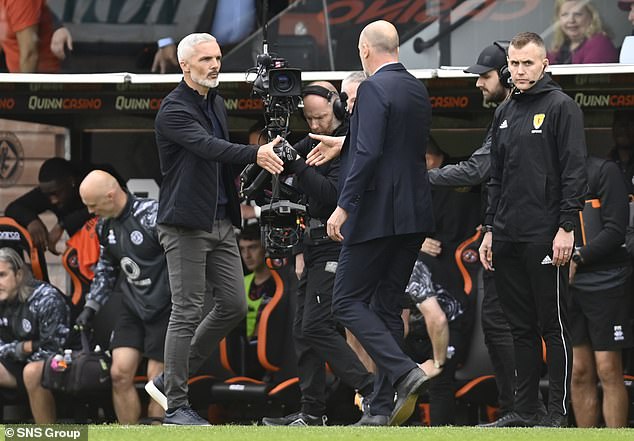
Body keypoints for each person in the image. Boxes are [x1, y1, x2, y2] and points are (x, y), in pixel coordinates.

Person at [147, 32, 284, 426]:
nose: (214, 65)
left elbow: (220, 161)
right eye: (205, 59)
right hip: (185, 225)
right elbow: (209, 148)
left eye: (218, 57)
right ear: (184, 65)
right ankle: (176, 405)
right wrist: (255, 153)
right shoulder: (173, 109)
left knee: (233, 304)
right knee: (187, 310)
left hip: (222, 221)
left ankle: (170, 377)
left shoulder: (217, 102)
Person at [327, 20, 438, 428]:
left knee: (345, 301)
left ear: (364, 49)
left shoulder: (372, 87)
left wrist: (344, 206)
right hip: (413, 215)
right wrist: (345, 143)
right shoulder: (415, 87)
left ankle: (404, 369)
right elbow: (387, 144)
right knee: (387, 305)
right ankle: (378, 407)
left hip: (377, 215)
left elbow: (370, 153)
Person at [479, 32, 588, 428]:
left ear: (544, 63)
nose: (519, 70)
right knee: (519, 328)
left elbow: (575, 172)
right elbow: (496, 178)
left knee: (553, 325)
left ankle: (556, 415)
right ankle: (525, 410)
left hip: (546, 234)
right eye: (514, 63)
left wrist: (566, 227)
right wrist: (490, 229)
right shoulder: (504, 110)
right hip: (506, 234)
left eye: (527, 63)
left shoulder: (563, 108)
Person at [261, 81, 374, 427]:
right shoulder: (308, 141)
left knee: (316, 325)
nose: (315, 125)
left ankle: (371, 386)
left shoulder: (351, 143)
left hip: (338, 243)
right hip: (309, 244)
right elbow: (291, 188)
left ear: (337, 108)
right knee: (302, 330)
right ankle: (311, 412)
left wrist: (297, 165)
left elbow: (331, 194)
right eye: (308, 119)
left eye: (321, 117)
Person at [427, 42, 517, 421]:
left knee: (524, 327)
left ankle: (531, 411)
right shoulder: (504, 114)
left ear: (508, 76)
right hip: (504, 234)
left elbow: (476, 171)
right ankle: (517, 409)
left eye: (485, 76)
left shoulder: (537, 109)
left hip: (527, 237)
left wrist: (420, 178)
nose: (479, 84)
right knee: (499, 325)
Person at [74, 170, 171, 425]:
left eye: (93, 205)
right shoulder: (104, 226)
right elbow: (106, 268)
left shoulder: (152, 215)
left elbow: (182, 257)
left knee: (156, 381)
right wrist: (91, 307)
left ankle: (156, 433)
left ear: (111, 195)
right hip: (133, 306)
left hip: (166, 307)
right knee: (119, 373)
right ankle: (128, 433)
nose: (90, 212)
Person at [568, 156, 632, 428]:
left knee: (608, 369)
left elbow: (616, 230)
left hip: (607, 282)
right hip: (571, 286)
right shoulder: (547, 173)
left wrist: (577, 257)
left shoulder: (603, 170)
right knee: (579, 371)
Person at [0, 247, 69, 423]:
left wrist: (22, 350)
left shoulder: (46, 298)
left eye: (2, 275)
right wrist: (22, 348)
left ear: (19, 274)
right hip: (21, 361)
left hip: (64, 363)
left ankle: (47, 435)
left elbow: (53, 348)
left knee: (32, 372)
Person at [5, 158, 94, 255]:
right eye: (47, 195)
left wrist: (63, 224)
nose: (53, 200)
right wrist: (32, 221)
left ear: (71, 181)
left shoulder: (91, 183)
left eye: (56, 193)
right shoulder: (50, 192)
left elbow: (102, 206)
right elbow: (13, 208)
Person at [547, 0, 618, 64]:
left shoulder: (599, 43)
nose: (571, 20)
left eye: (578, 14)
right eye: (565, 14)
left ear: (591, 16)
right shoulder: (560, 47)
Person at [0, 0, 60, 72]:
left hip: (41, 76)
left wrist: (23, 82)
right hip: (16, 74)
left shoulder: (21, 2)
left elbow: (30, 54)